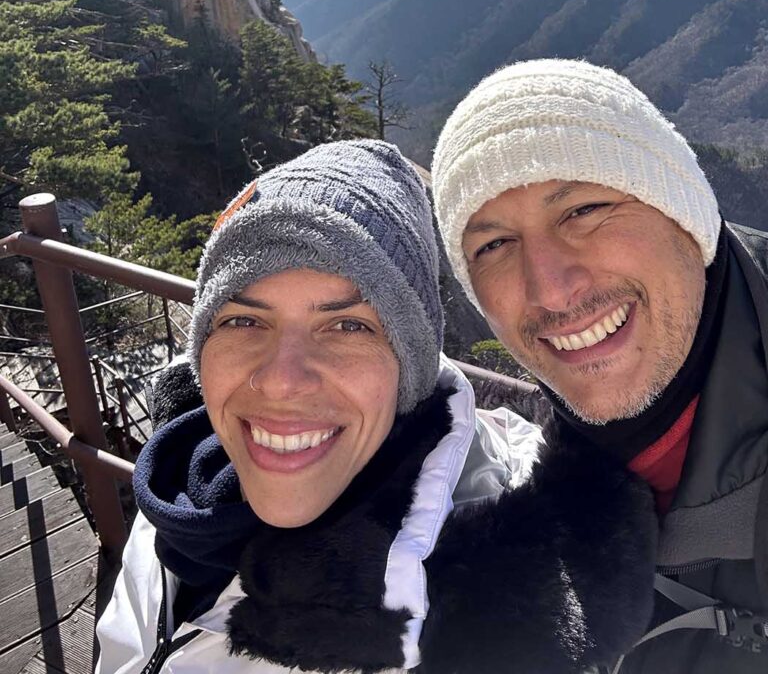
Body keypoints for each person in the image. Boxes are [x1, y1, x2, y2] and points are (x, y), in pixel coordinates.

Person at [95, 139, 654, 674]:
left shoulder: (497, 604)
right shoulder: (182, 486)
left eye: (347, 326)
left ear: (411, 368)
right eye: (243, 320)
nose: (281, 381)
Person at [431, 58, 768, 673]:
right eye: (494, 244)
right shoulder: (528, 514)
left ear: (684, 212)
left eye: (584, 210)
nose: (550, 290)